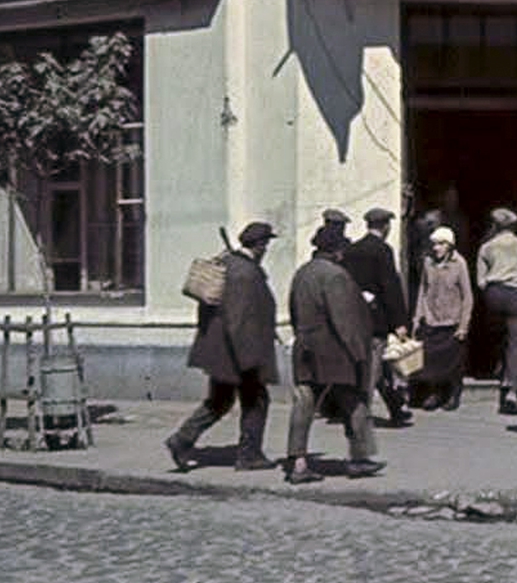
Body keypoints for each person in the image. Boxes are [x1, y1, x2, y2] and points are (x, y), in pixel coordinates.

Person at [165, 221, 279, 472]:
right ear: (259, 245)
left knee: (219, 400)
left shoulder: (226, 264)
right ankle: (250, 455)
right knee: (256, 400)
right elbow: (239, 319)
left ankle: (181, 440)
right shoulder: (245, 273)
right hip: (239, 352)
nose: (267, 248)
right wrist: (248, 359)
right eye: (266, 243)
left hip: (221, 352)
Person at [284, 222, 383, 485]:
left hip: (305, 346)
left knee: (304, 402)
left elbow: (293, 310)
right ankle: (359, 458)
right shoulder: (335, 276)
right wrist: (359, 353)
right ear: (337, 250)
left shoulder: (302, 273)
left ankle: (298, 461)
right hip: (332, 351)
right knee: (355, 400)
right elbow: (344, 320)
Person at [341, 206, 412, 427]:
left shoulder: (352, 250)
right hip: (377, 320)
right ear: (385, 226)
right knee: (373, 370)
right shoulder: (382, 250)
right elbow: (390, 287)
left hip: (355, 318)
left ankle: (396, 409)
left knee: (377, 369)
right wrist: (400, 321)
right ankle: (360, 416)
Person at [475, 207, 517, 416]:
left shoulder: (487, 247)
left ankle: (497, 371)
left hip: (494, 295)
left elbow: (480, 281)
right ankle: (511, 388)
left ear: (494, 225)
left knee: (498, 336)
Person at [410, 226, 472, 410]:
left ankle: (453, 394)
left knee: (452, 362)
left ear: (450, 245)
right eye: (434, 244)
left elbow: (467, 296)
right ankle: (433, 394)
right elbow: (423, 290)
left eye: (441, 244)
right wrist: (417, 317)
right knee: (431, 361)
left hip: (452, 319)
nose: (436, 248)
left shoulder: (459, 263)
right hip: (431, 318)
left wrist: (463, 324)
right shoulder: (428, 262)